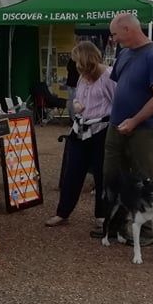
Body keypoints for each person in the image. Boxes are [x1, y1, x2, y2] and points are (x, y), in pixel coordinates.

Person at [99, 14, 153, 242]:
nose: (113, 39)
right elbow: (119, 86)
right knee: (112, 176)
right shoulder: (124, 54)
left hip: (144, 129)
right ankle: (114, 227)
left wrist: (135, 120)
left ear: (128, 29)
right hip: (116, 125)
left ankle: (147, 232)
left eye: (115, 34)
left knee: (144, 179)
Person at [46, 42, 115, 228]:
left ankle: (102, 215)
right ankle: (62, 212)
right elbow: (78, 96)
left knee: (102, 174)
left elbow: (117, 103)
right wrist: (76, 104)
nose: (76, 66)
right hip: (81, 128)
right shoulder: (82, 77)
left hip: (101, 130)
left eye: (78, 61)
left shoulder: (108, 76)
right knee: (72, 171)